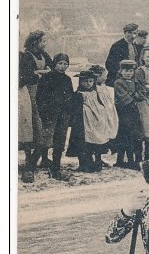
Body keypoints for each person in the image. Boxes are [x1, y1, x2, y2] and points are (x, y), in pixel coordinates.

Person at [66, 68, 119, 173]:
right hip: (82, 123)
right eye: (85, 81)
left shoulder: (96, 93)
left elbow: (101, 105)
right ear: (81, 82)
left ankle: (97, 162)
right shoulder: (79, 94)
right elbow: (74, 108)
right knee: (82, 144)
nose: (88, 84)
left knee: (96, 142)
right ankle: (84, 164)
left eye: (90, 81)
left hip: (95, 121)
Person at [19, 30, 53, 182]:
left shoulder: (43, 55)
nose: (45, 44)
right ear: (35, 42)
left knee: (44, 128)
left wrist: (40, 72)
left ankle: (39, 160)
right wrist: (41, 73)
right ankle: (29, 164)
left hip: (43, 94)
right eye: (43, 41)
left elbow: (52, 69)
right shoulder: (26, 56)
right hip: (30, 95)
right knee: (33, 128)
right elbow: (27, 76)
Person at [35, 52, 74, 180]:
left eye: (65, 64)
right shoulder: (47, 78)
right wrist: (44, 113)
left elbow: (70, 96)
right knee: (45, 141)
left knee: (60, 143)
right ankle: (30, 167)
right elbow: (40, 98)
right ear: (54, 64)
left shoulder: (67, 79)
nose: (62, 66)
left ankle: (56, 168)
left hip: (63, 115)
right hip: (50, 115)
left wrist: (69, 111)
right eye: (60, 63)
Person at [114, 60, 144, 169]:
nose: (128, 73)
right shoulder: (118, 82)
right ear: (121, 71)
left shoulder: (136, 81)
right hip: (123, 111)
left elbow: (142, 95)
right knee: (124, 136)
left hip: (134, 111)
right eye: (125, 71)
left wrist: (134, 95)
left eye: (131, 71)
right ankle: (123, 160)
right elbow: (124, 97)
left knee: (136, 135)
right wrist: (134, 95)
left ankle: (137, 160)